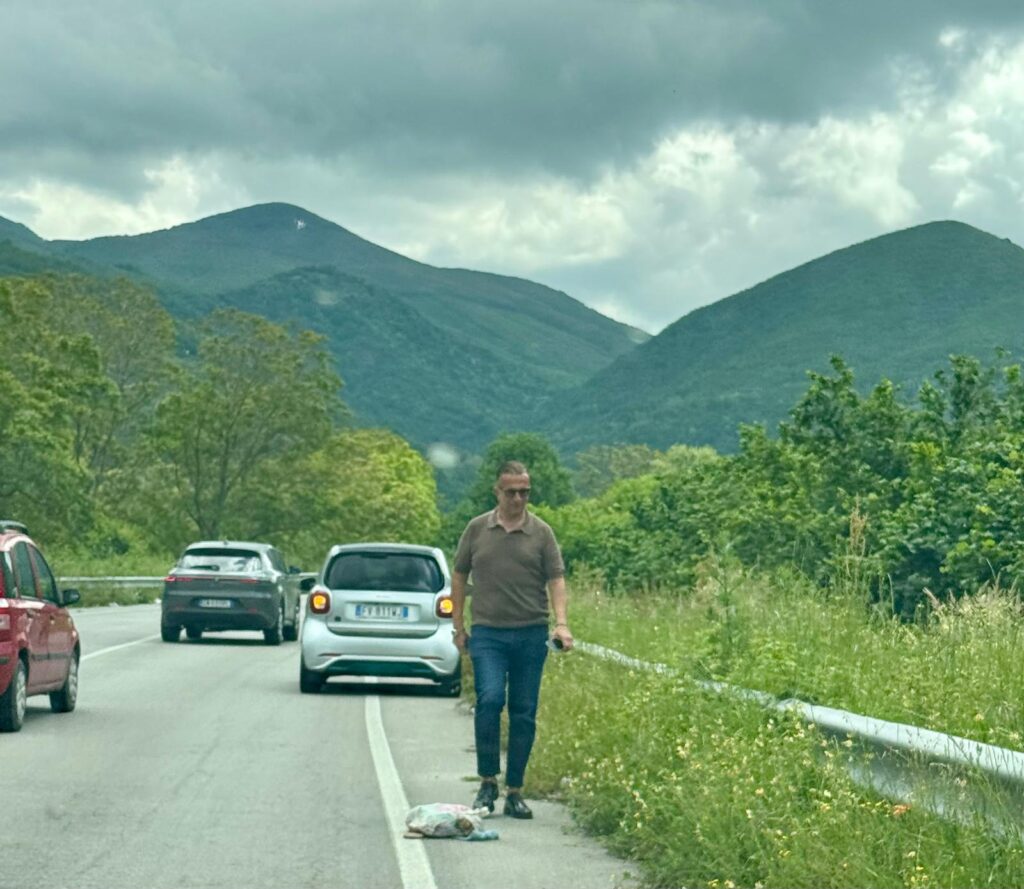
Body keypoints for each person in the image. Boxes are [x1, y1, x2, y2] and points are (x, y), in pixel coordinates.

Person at [451, 460, 573, 820]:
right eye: (511, 492)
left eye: (525, 492)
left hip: (531, 632)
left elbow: (557, 580)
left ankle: (515, 791)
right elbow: (459, 575)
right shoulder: (477, 530)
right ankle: (488, 781)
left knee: (524, 712)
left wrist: (562, 624)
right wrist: (459, 626)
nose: (518, 498)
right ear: (497, 492)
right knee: (489, 700)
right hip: (488, 632)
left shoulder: (542, 533)